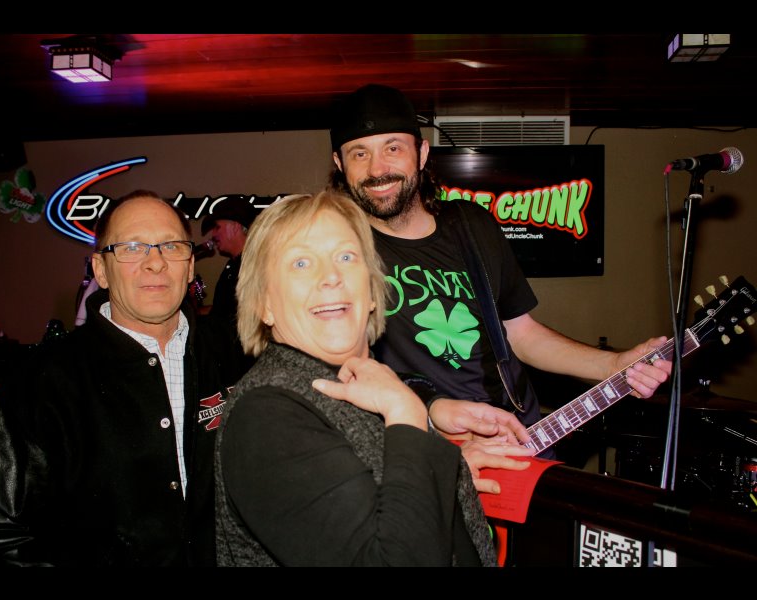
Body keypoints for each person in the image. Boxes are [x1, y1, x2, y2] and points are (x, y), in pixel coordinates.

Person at [328, 84, 672, 470]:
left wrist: (614, 365)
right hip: (424, 453)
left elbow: (520, 334)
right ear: (340, 163)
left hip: (519, 437)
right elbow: (340, 373)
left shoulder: (471, 225)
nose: (377, 169)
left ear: (421, 153)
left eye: (393, 148)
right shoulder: (335, 250)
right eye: (360, 153)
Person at [215, 190, 511, 566]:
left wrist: (449, 460)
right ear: (265, 305)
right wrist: (407, 413)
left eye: (345, 257)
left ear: (372, 289)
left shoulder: (363, 385)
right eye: (301, 263)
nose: (331, 277)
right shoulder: (266, 416)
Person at [0, 190, 246, 566]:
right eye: (132, 248)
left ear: (191, 265)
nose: (155, 263)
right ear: (100, 270)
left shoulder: (235, 355)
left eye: (171, 246)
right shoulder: (41, 382)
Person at [200, 197, 259, 325]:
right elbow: (224, 310)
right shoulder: (233, 264)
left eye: (217, 227)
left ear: (235, 227)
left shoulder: (255, 266)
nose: (213, 235)